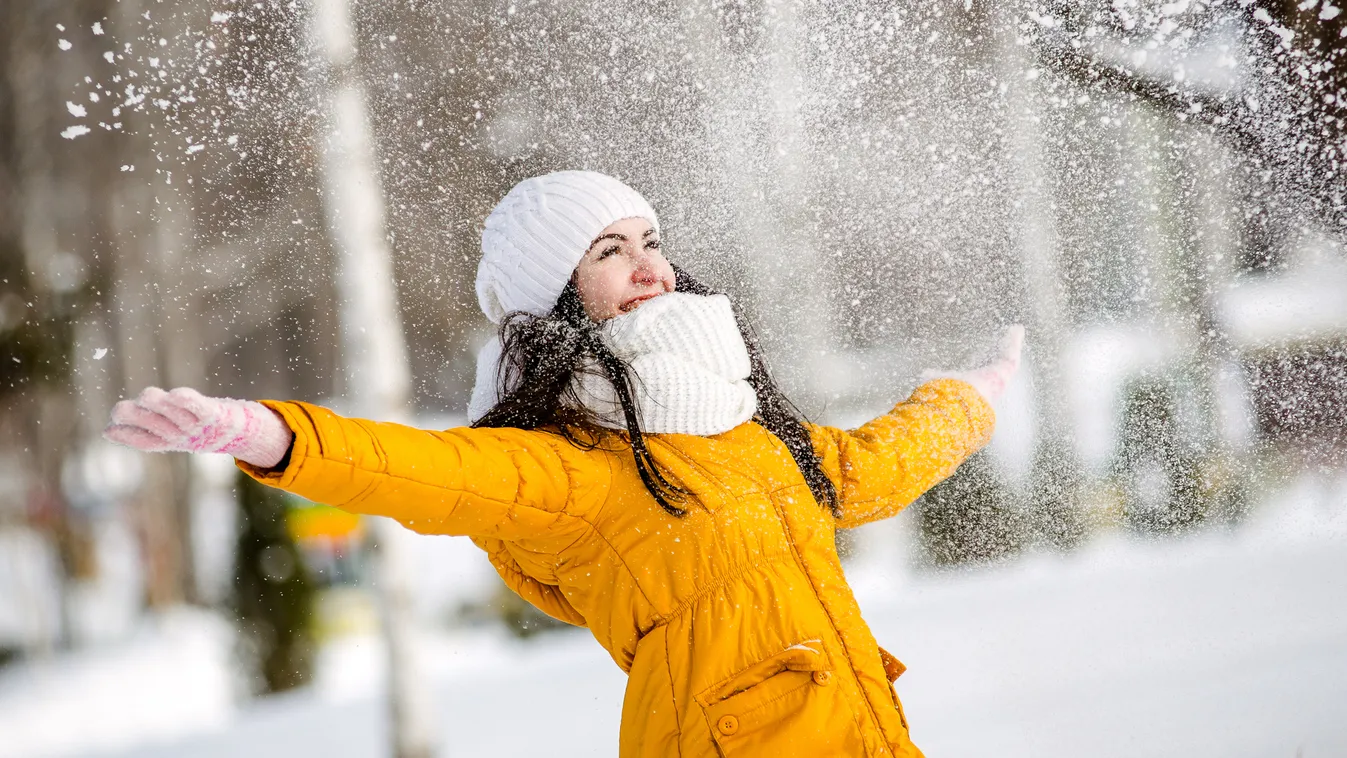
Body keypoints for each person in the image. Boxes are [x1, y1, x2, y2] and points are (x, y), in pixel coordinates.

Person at [105, 171, 1023, 757]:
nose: (649, 266)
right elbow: (421, 470)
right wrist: (264, 434)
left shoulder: (739, 425)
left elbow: (862, 470)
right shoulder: (575, 469)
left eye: (650, 240)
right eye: (609, 251)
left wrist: (964, 398)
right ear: (556, 293)